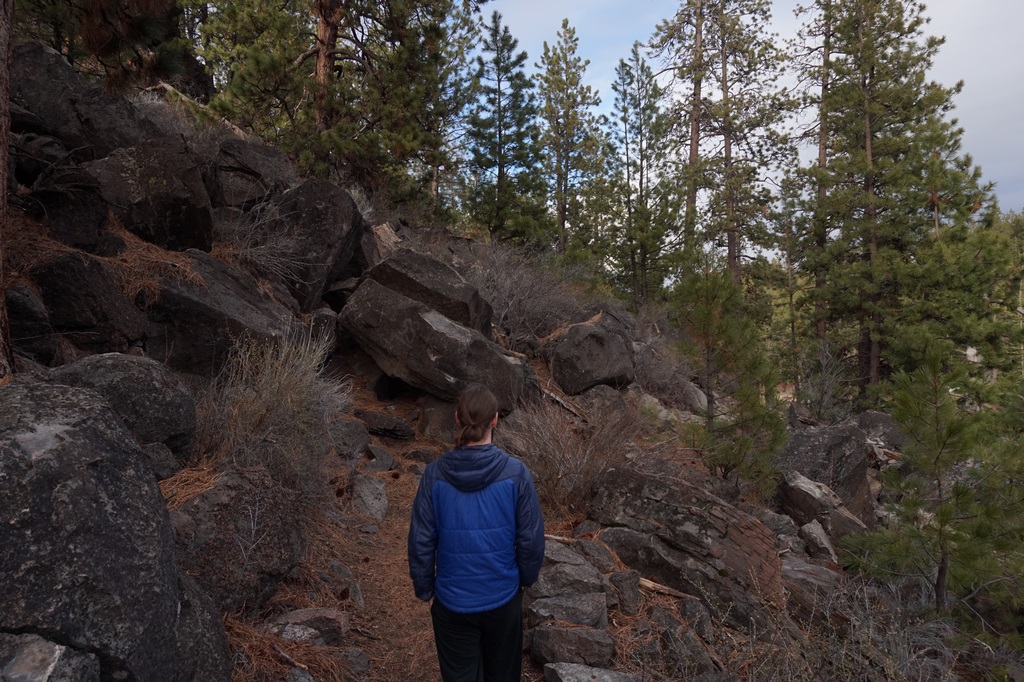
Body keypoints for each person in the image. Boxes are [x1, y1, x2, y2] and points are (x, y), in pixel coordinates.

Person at [408, 384, 545, 682]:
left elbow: (421, 540)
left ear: (457, 418)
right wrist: (524, 580)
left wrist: (425, 589)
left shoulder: (434, 475)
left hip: (452, 602)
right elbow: (531, 540)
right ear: (495, 420)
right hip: (503, 598)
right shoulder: (516, 473)